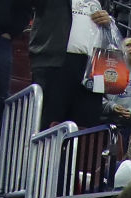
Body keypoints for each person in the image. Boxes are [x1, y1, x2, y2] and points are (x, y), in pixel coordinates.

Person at [30, 0, 112, 128]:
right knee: (49, 123)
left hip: (94, 66)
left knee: (87, 127)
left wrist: (108, 21)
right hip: (56, 62)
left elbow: (107, 28)